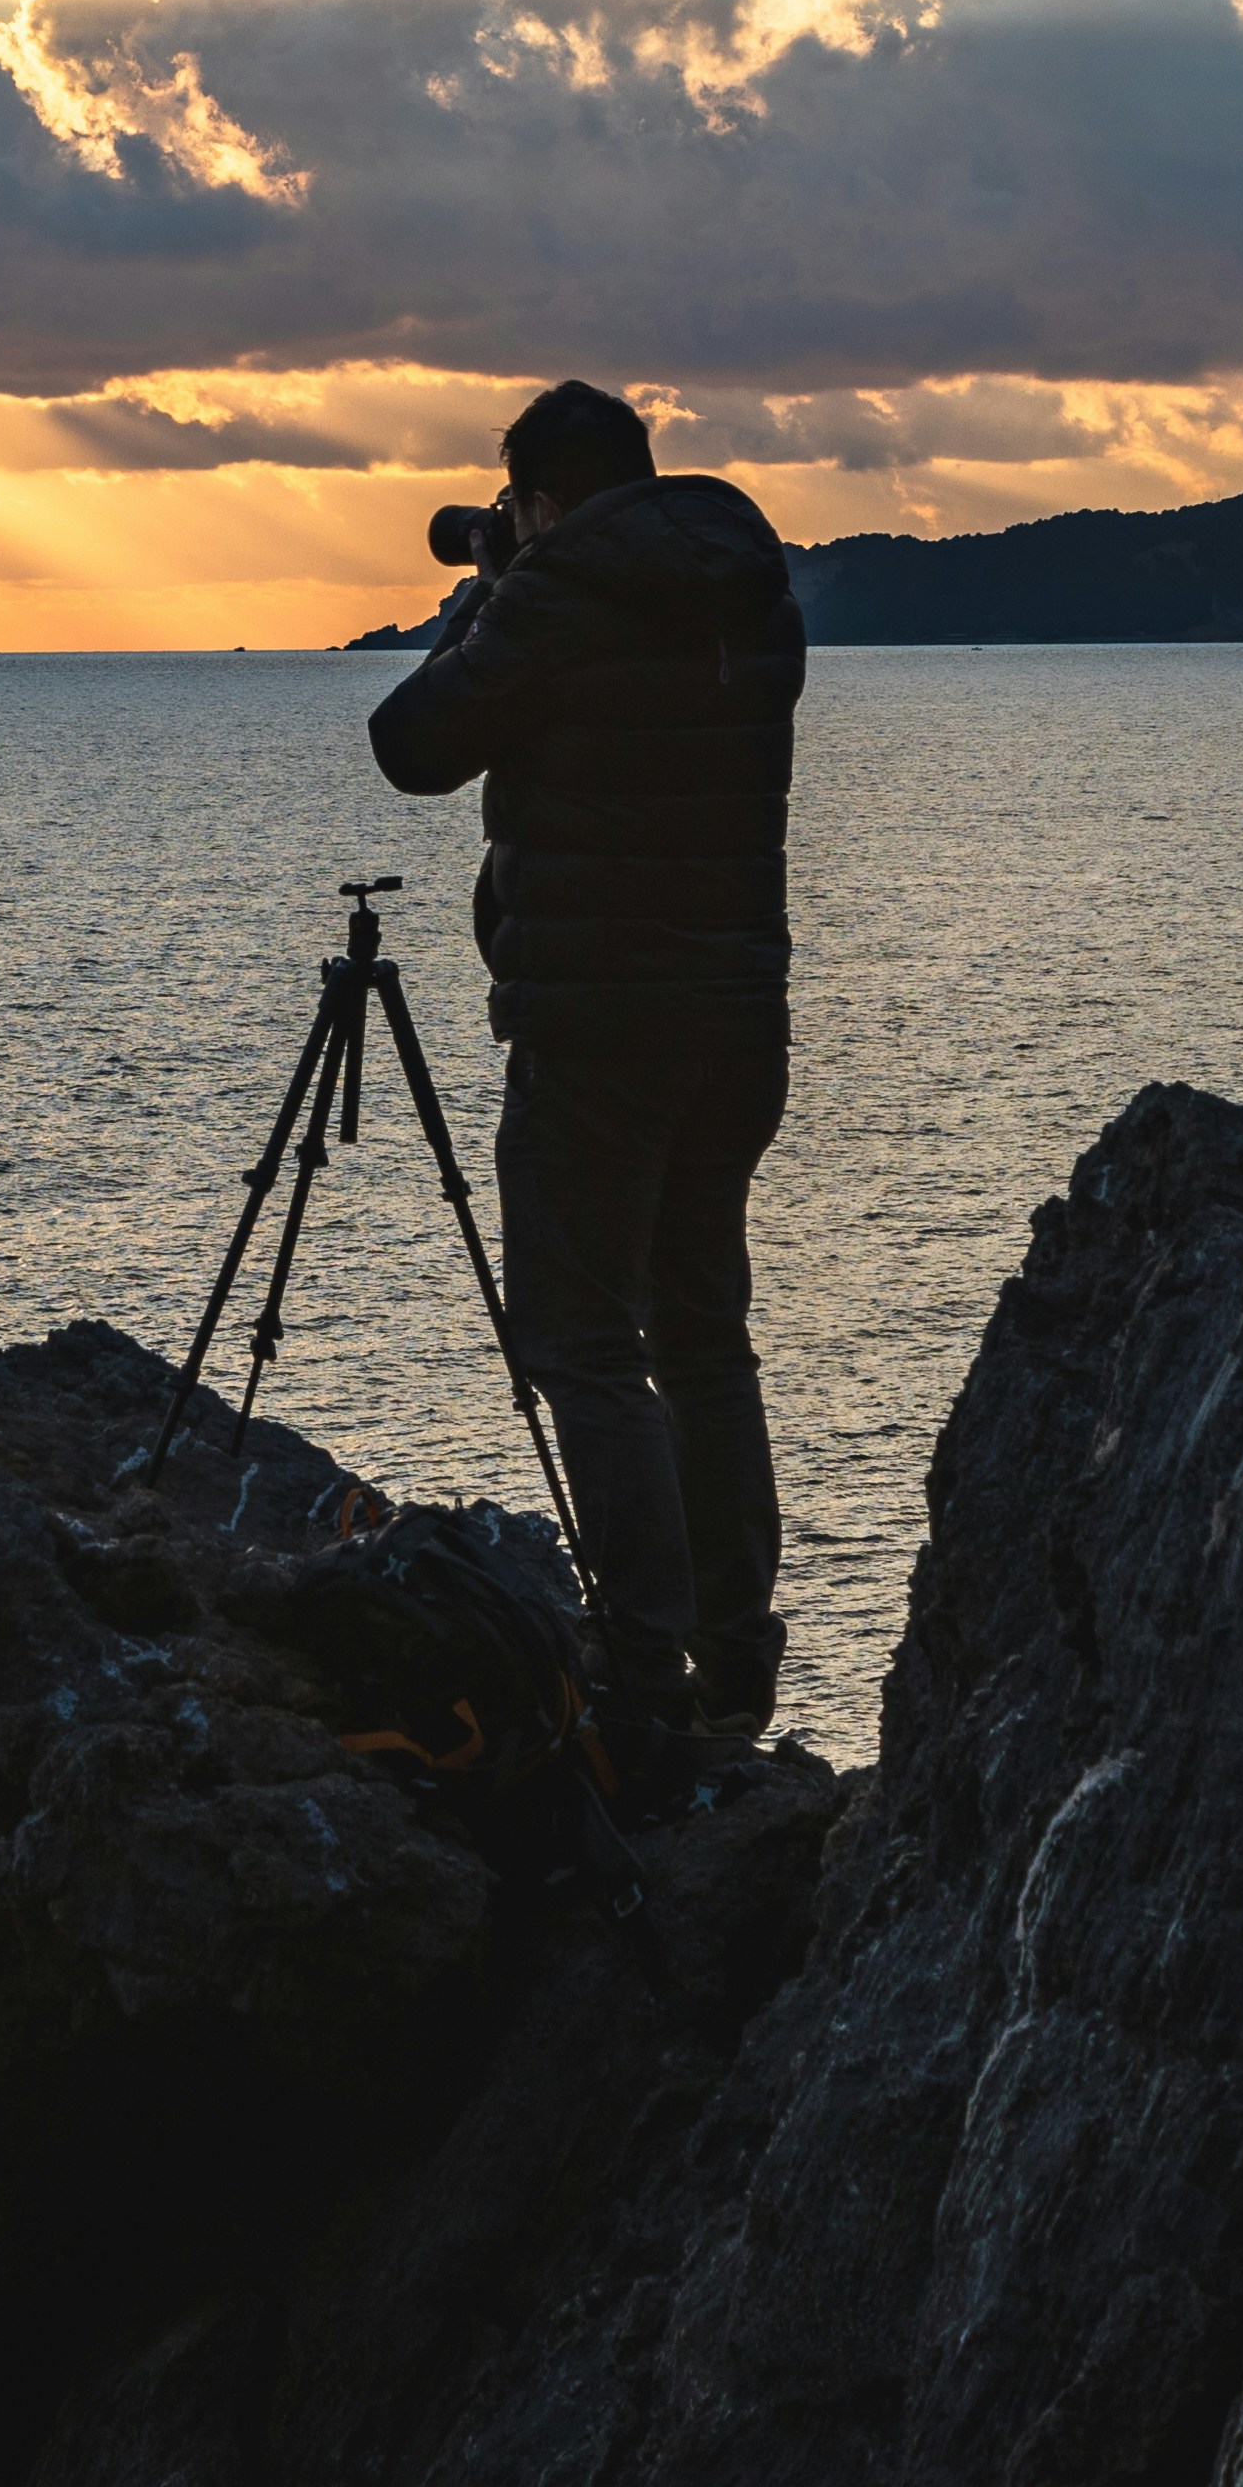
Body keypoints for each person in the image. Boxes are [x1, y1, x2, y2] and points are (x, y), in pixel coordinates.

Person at [365, 380, 808, 1739]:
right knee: (701, 1333)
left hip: (598, 1026)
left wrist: (490, 595)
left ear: (545, 504)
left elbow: (411, 742)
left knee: (582, 1340)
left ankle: (644, 1666)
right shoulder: (752, 596)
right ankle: (735, 1658)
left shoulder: (551, 604)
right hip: (735, 1021)